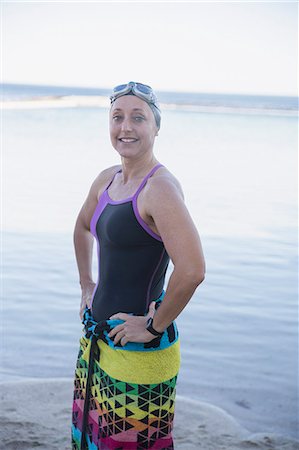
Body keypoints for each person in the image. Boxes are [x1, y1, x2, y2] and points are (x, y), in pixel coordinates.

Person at [71, 81, 205, 450]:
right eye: (117, 117)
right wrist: (87, 284)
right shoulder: (106, 179)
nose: (125, 127)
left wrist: (153, 324)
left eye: (138, 118)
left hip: (137, 352)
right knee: (89, 439)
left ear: (156, 127)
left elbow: (192, 270)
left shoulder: (159, 189)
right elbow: (82, 227)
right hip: (97, 340)